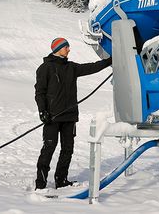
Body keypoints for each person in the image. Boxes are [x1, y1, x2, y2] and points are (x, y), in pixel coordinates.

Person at [34, 37, 112, 190]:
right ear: (57, 49)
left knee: (68, 149)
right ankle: (40, 183)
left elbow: (91, 67)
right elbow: (40, 93)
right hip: (52, 117)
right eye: (66, 47)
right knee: (49, 148)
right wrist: (42, 111)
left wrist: (109, 61)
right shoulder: (45, 68)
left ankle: (61, 180)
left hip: (69, 116)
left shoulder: (71, 67)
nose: (69, 50)